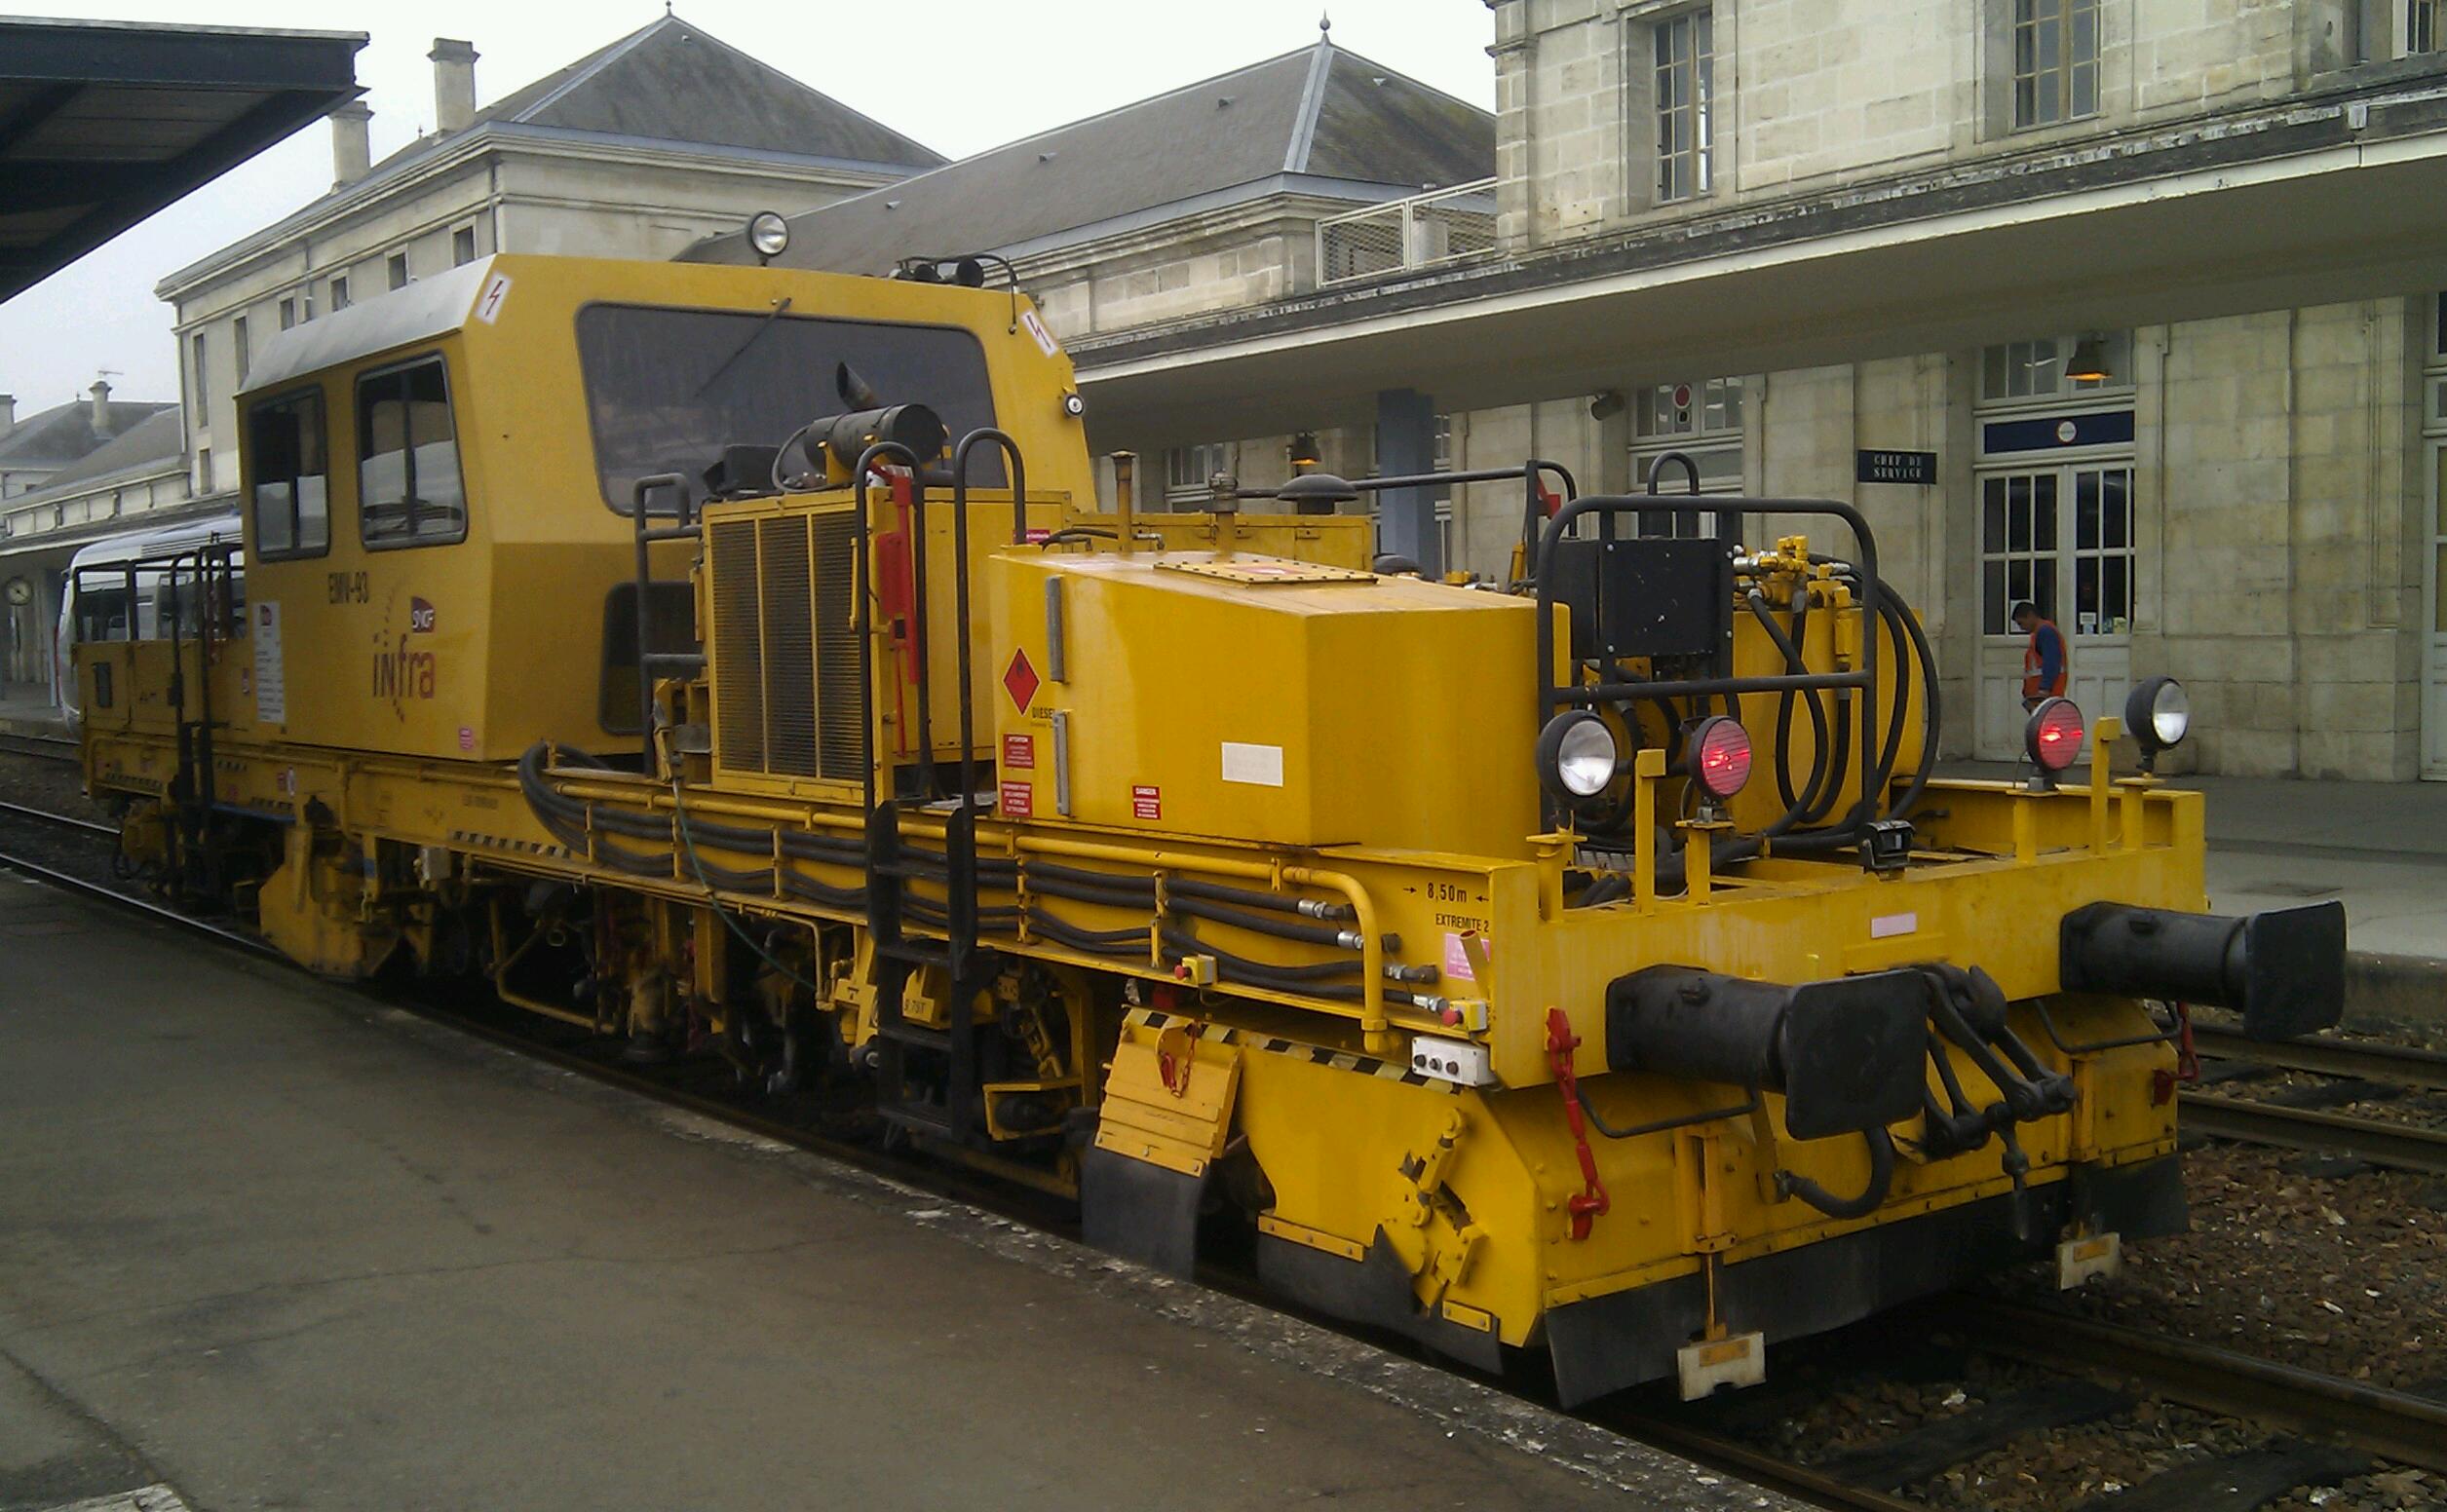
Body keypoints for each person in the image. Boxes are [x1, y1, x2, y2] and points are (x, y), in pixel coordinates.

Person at [2012, 600, 2066, 710]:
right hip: (2043, 697)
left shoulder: (2045, 632)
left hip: (2046, 697)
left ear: (2030, 615)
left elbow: (2051, 662)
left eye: (2021, 623)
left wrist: (2044, 689)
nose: (2021, 628)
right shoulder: (2040, 633)